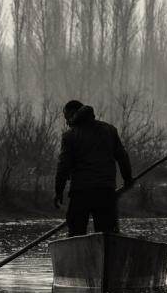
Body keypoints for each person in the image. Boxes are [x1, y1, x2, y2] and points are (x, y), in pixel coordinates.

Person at [53, 100, 133, 236]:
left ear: (73, 114)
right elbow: (123, 157)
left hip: (80, 193)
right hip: (106, 192)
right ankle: (106, 255)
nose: (67, 123)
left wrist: (58, 191)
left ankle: (78, 256)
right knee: (107, 234)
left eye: (67, 118)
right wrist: (127, 179)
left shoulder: (69, 136)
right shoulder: (110, 130)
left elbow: (63, 167)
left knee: (76, 234)